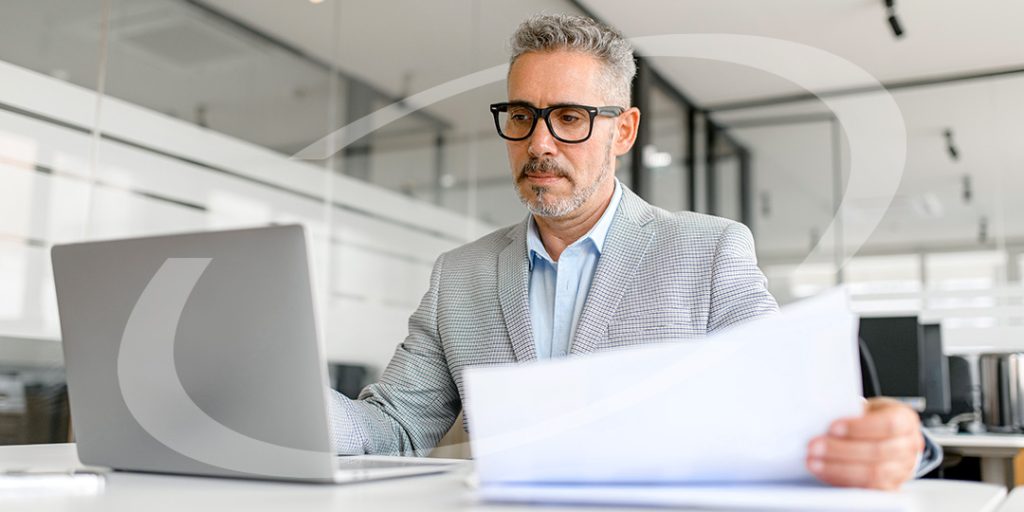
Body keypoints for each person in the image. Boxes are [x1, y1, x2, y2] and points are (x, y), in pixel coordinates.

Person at [328, 13, 939, 490]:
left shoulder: (709, 252)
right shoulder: (459, 276)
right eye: (520, 114)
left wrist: (893, 440)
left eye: (568, 116)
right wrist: (288, 399)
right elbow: (397, 431)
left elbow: (791, 408)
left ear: (622, 130)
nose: (538, 142)